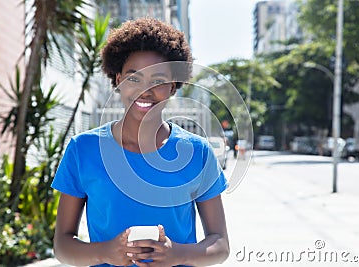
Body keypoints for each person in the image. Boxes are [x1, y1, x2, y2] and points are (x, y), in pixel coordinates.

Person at [52, 17, 229, 267]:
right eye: (133, 78)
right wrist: (106, 252)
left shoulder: (197, 152)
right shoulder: (83, 150)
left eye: (157, 81)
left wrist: (178, 254)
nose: (145, 91)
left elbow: (220, 243)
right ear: (117, 80)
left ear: (173, 86)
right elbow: (62, 245)